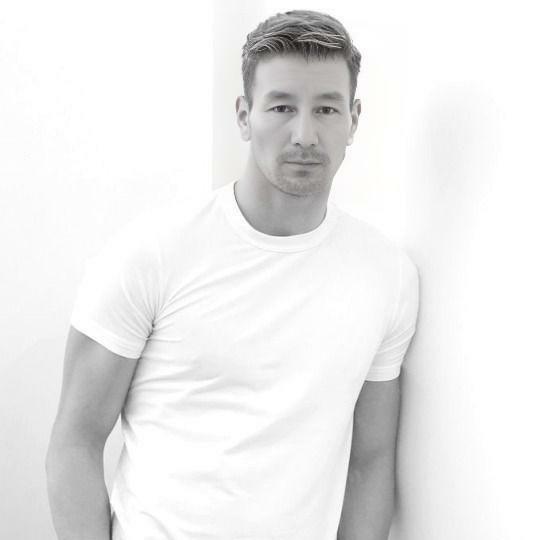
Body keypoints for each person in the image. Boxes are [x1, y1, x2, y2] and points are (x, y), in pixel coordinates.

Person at [45, 9, 419, 540]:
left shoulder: (388, 276)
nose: (305, 134)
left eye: (326, 108)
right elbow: (76, 439)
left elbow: (370, 462)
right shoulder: (153, 253)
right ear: (244, 116)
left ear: (353, 120)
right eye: (282, 107)